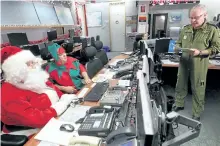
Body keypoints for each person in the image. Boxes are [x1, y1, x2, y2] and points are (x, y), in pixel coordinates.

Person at [1, 46, 77, 135]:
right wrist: (61, 105)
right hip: (28, 133)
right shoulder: (9, 91)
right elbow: (35, 119)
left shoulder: (34, 77)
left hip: (52, 121)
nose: (34, 66)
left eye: (33, 62)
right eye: (28, 64)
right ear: (15, 69)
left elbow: (54, 90)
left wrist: (66, 97)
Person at [173, 4, 220, 121]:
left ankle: (197, 112)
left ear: (205, 16)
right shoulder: (186, 29)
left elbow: (216, 48)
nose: (193, 20)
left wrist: (200, 52)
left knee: (198, 88)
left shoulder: (212, 30)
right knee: (180, 84)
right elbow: (178, 43)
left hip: (199, 63)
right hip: (184, 62)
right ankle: (179, 104)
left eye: (196, 17)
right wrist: (177, 48)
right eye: (191, 17)